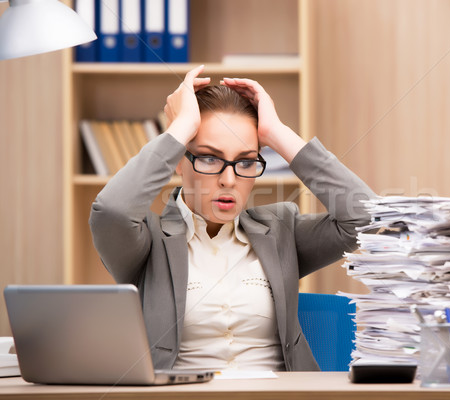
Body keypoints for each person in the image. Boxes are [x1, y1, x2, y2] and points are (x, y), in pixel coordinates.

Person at [89, 65, 376, 372]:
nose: (229, 180)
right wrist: (181, 127)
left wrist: (277, 134)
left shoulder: (281, 231)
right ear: (177, 161)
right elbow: (112, 212)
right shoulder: (147, 241)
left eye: (246, 162)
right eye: (209, 158)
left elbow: (365, 216)